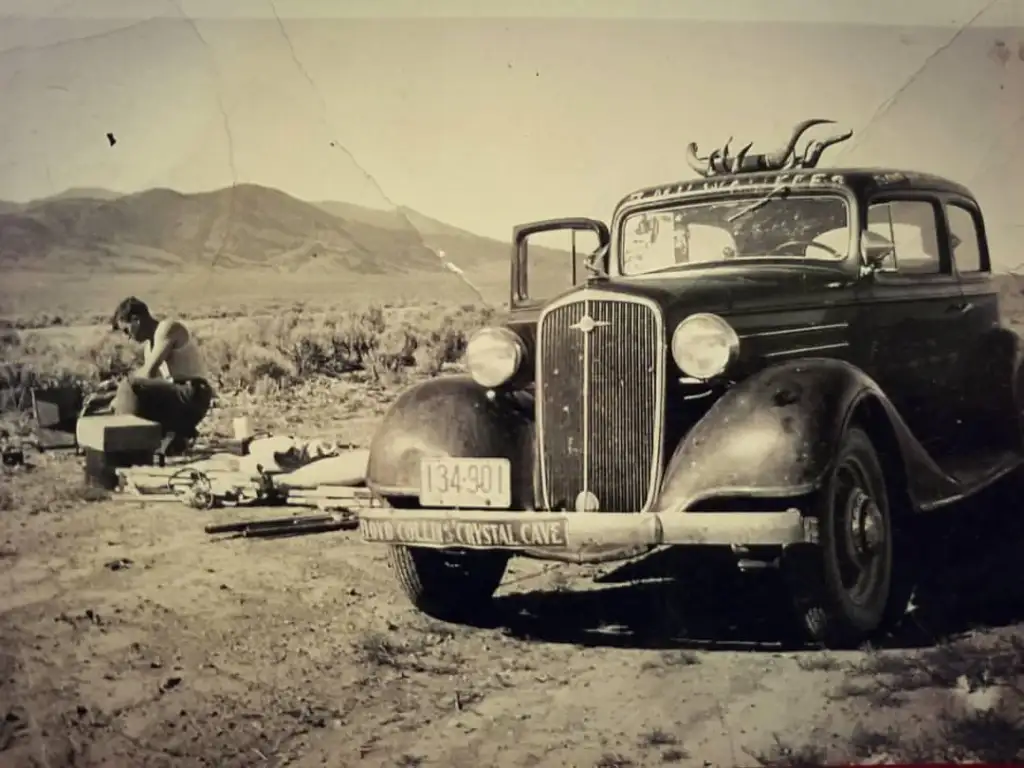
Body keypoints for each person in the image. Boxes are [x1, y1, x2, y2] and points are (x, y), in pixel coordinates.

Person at [98, 297, 214, 455]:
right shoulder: (149, 348)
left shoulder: (167, 328)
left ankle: (125, 446)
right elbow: (152, 382)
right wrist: (114, 396)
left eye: (127, 330)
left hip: (193, 394)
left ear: (136, 320)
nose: (128, 337)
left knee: (130, 386)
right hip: (177, 397)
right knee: (128, 392)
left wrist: (120, 391)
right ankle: (170, 437)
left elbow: (148, 373)